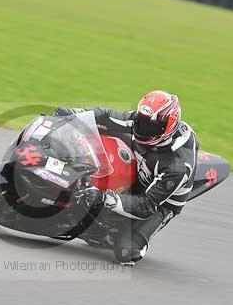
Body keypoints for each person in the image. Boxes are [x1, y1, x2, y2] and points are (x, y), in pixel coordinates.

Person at [55, 90, 198, 265]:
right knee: (100, 135)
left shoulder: (176, 166)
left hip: (159, 202)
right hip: (140, 170)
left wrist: (105, 197)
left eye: (149, 126)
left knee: (126, 252)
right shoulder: (141, 124)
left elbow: (146, 205)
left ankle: (120, 235)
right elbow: (106, 117)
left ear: (167, 126)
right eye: (141, 120)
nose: (142, 129)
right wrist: (74, 114)